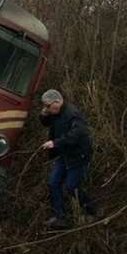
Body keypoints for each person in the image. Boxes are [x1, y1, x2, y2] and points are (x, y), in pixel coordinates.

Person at [39, 89, 95, 228]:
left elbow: (78, 134)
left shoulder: (72, 113)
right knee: (53, 182)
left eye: (49, 106)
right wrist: (43, 115)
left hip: (78, 155)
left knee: (72, 186)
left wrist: (55, 143)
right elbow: (46, 123)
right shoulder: (54, 112)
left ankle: (91, 211)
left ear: (58, 102)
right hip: (64, 155)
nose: (48, 109)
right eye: (46, 107)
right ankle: (59, 216)